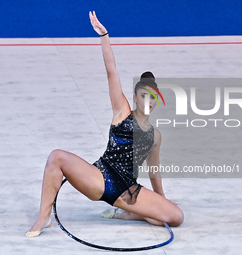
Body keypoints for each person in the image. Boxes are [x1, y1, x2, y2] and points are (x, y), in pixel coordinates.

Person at [26, 11, 183, 238]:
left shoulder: (154, 136)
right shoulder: (122, 111)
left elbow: (154, 170)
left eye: (153, 98)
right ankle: (44, 216)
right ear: (136, 97)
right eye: (144, 96)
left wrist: (161, 200)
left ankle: (129, 212)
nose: (148, 102)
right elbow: (112, 72)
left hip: (129, 191)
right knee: (56, 157)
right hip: (101, 178)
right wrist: (104, 36)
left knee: (176, 217)